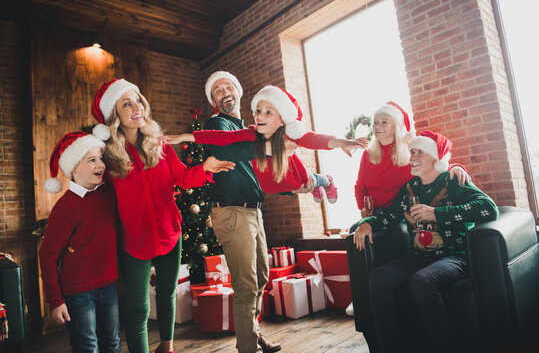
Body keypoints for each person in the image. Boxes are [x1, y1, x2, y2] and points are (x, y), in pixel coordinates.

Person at [91, 78, 234, 353]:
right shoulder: (108, 158)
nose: (137, 107)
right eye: (127, 103)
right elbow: (99, 202)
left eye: (138, 100)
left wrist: (206, 167)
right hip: (133, 238)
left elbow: (182, 177)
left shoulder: (160, 146)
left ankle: (166, 347)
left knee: (167, 293)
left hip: (170, 231)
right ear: (115, 115)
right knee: (138, 308)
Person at [353, 130, 499, 353]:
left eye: (420, 152)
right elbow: (392, 215)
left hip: (455, 257)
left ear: (436, 158)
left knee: (422, 280)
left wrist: (437, 214)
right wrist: (368, 222)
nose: (413, 156)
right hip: (421, 257)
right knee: (378, 278)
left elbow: (489, 209)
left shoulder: (453, 181)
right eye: (412, 152)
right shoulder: (410, 189)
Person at [194, 71, 281, 353]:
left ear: (238, 91)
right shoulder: (217, 124)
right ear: (213, 101)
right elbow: (233, 150)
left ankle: (253, 335)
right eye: (217, 90)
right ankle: (247, 348)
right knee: (246, 286)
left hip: (253, 211)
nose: (224, 91)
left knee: (261, 277)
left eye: (228, 86)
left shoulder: (245, 127)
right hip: (232, 213)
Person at [162, 85, 366, 203]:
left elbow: (315, 139)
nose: (259, 116)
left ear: (282, 118)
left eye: (268, 112)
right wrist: (184, 137)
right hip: (272, 183)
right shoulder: (252, 133)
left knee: (306, 182)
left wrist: (342, 142)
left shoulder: (289, 134)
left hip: (292, 176)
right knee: (292, 188)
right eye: (258, 110)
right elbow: (220, 137)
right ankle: (315, 184)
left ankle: (326, 181)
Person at [40, 131, 121, 353]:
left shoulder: (108, 194)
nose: (100, 164)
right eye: (92, 160)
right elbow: (47, 256)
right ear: (74, 168)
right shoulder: (64, 208)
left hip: (109, 286)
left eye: (101, 158)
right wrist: (55, 301)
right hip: (78, 293)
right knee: (87, 346)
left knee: (112, 343)